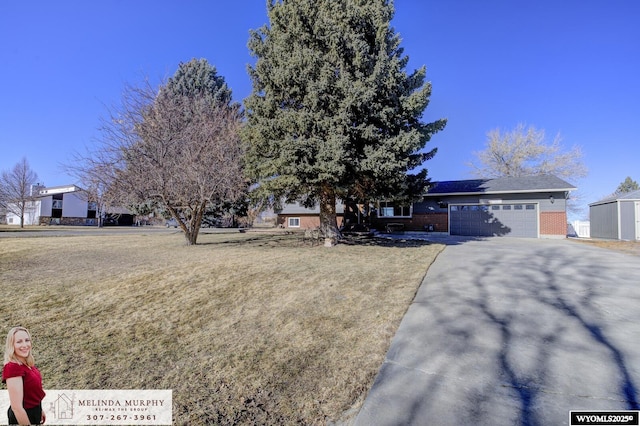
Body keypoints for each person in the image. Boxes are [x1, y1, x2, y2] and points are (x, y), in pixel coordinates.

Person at [2, 327, 46, 425]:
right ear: (11, 345)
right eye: (19, 342)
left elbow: (31, 393)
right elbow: (17, 408)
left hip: (34, 412)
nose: (25, 345)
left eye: (27, 340)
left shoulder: (26, 363)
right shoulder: (12, 367)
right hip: (23, 417)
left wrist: (39, 410)